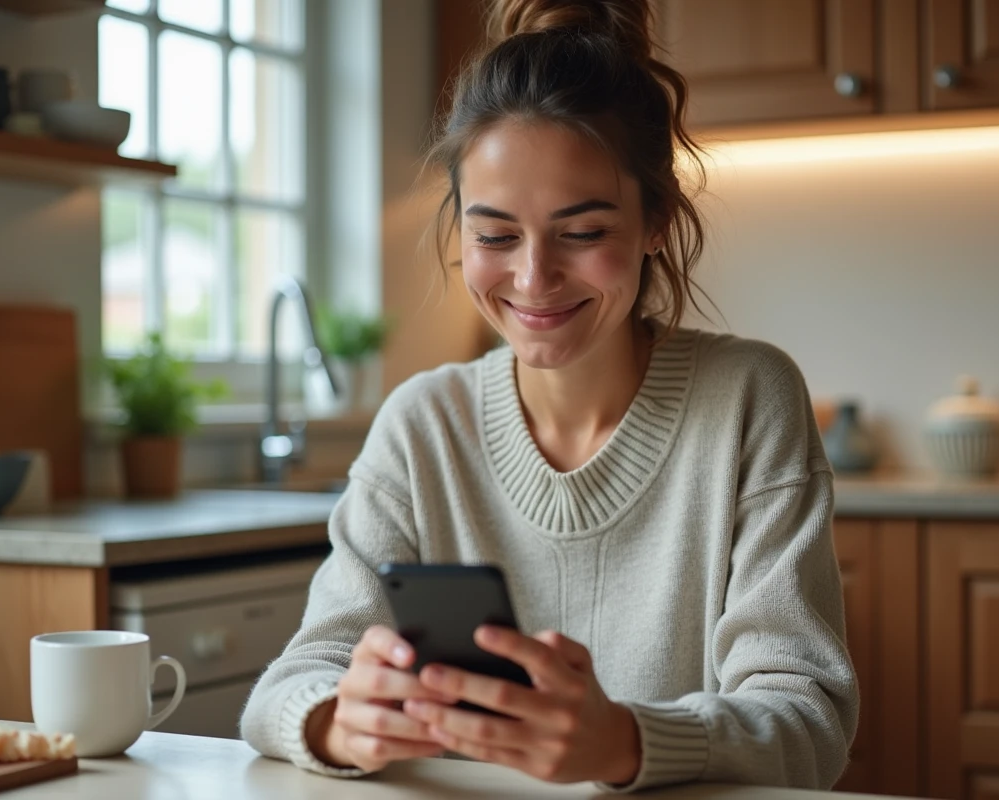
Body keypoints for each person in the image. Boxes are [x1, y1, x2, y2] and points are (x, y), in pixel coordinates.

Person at [241, 0, 858, 791]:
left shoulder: (748, 400)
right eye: (495, 236)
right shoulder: (421, 425)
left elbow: (809, 722)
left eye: (584, 232)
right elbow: (287, 690)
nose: (533, 278)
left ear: (656, 221)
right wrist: (337, 720)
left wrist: (628, 744)